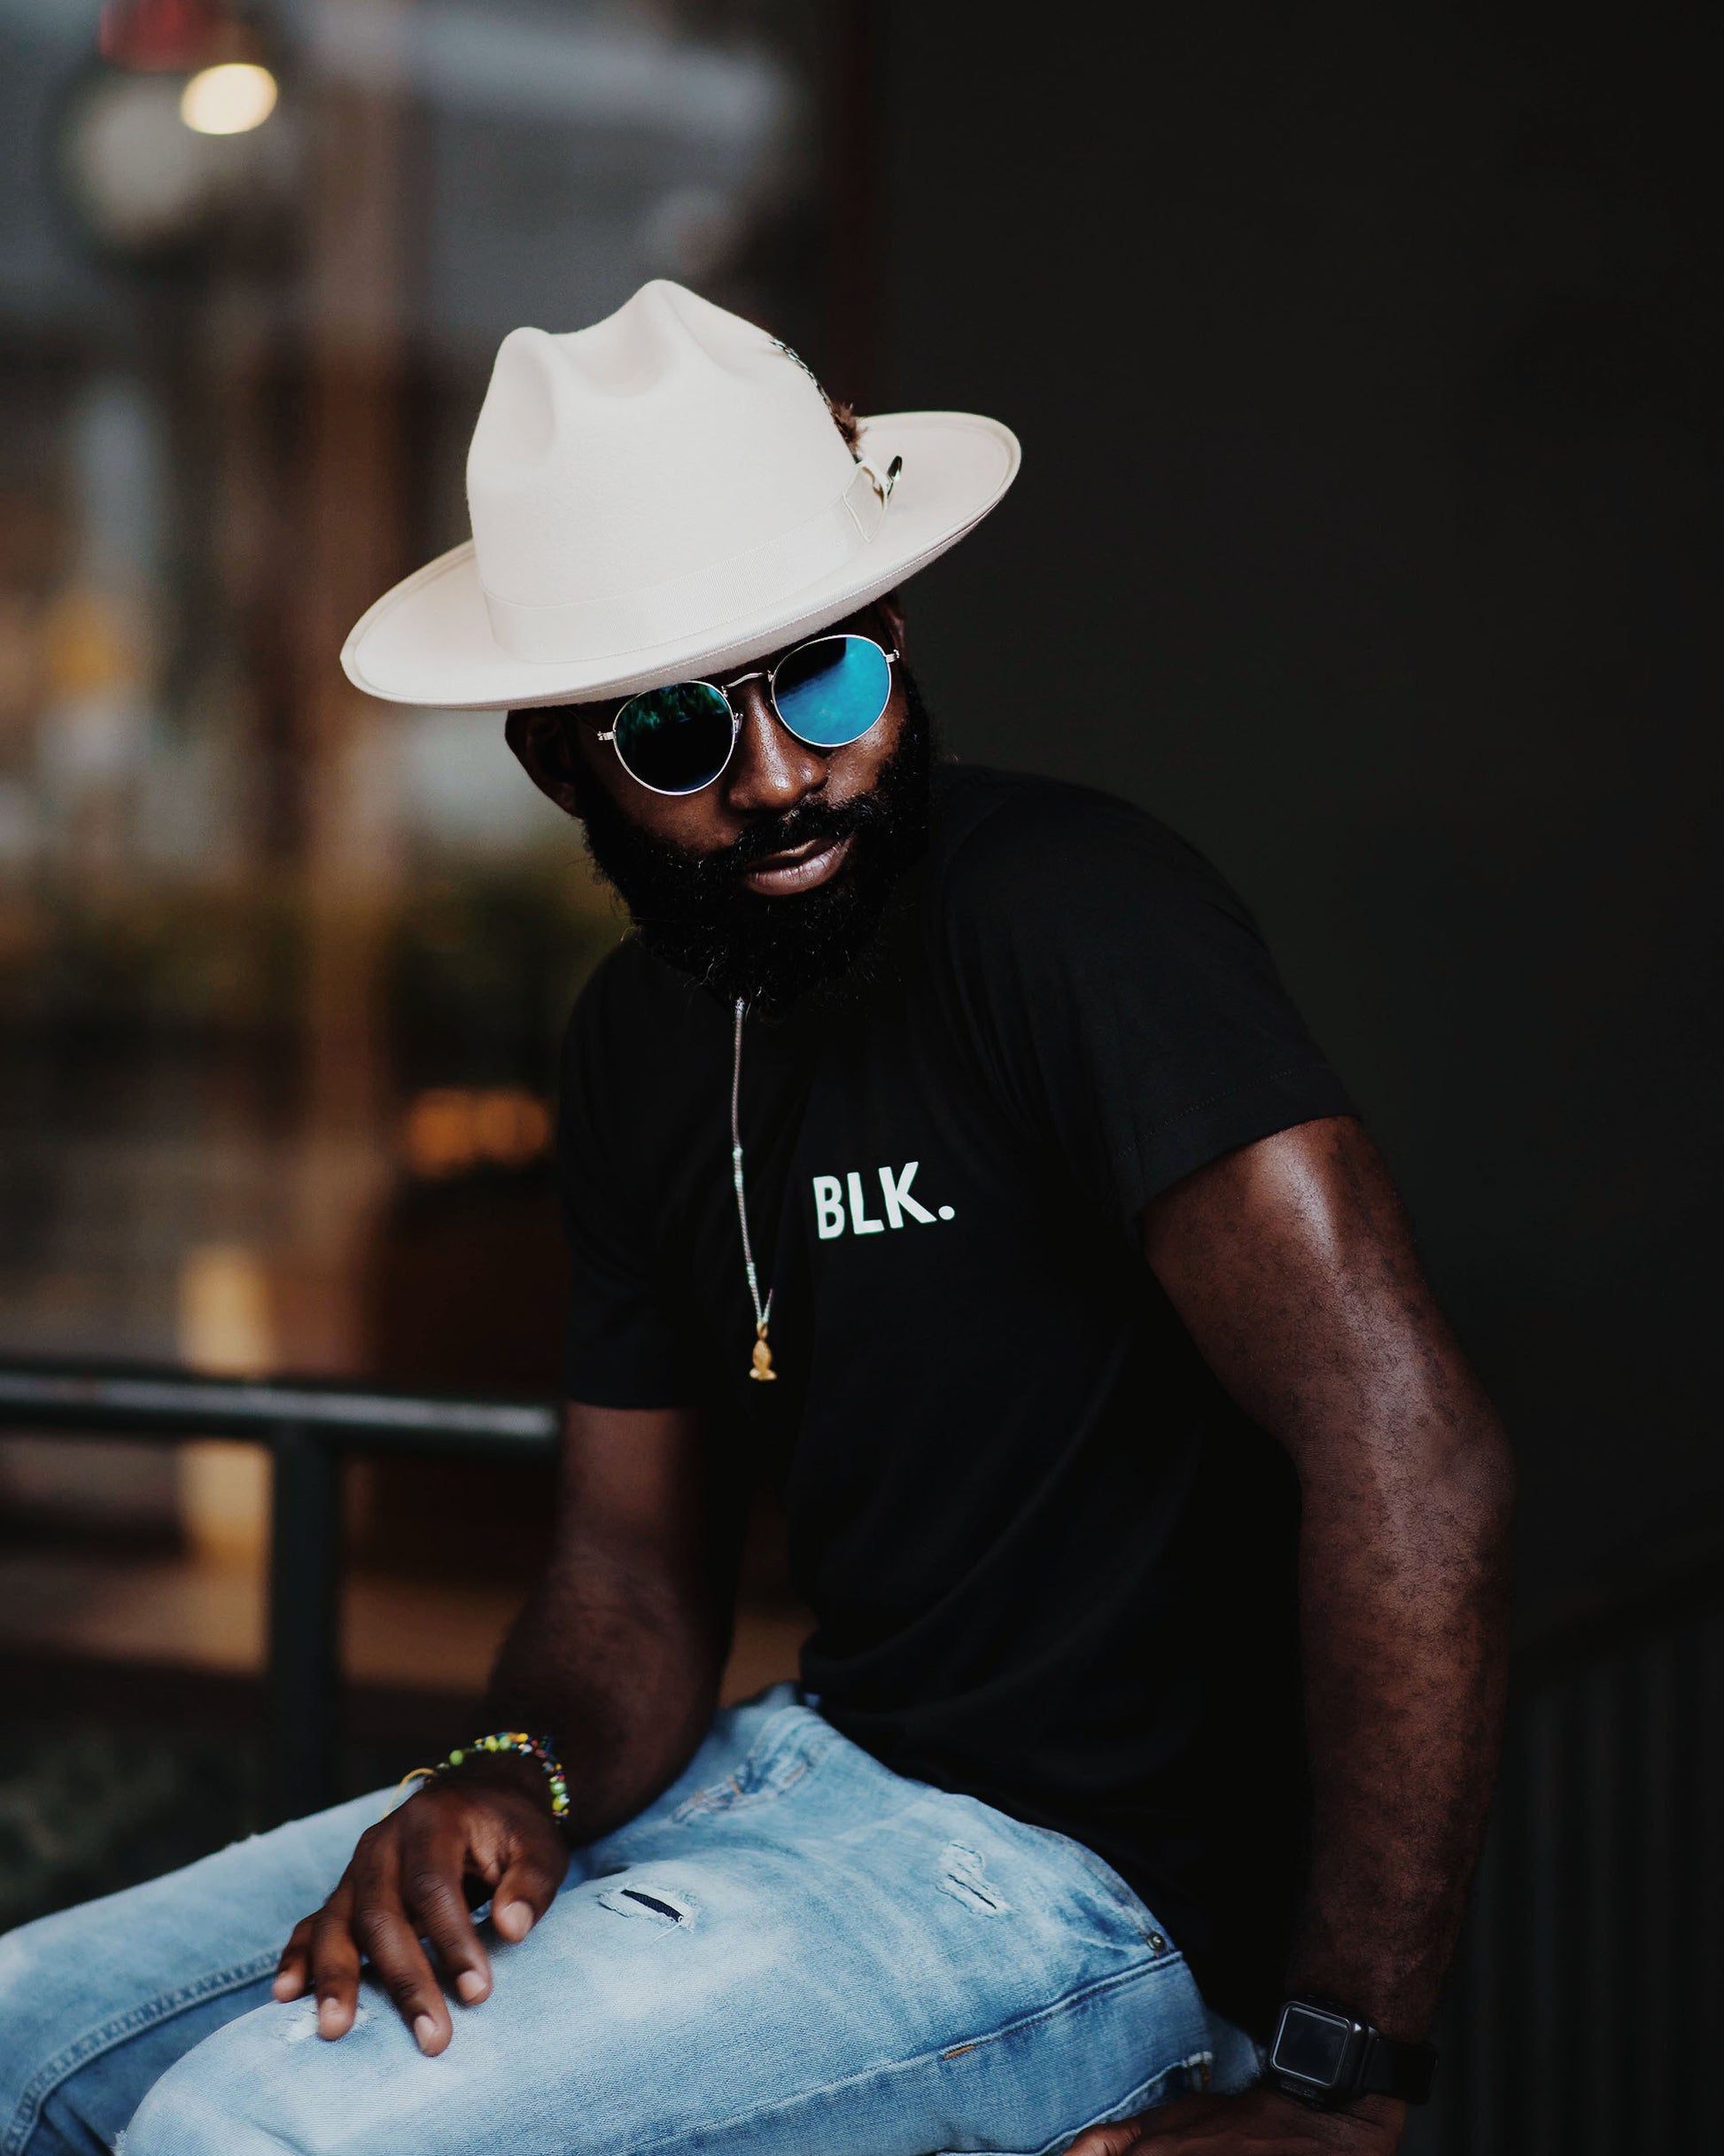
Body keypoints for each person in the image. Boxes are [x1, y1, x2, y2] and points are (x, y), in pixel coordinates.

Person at [0, 283, 1513, 2156]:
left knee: (256, 2132)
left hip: (1065, 1884)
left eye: (828, 679)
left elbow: (1414, 1459)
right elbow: (629, 1581)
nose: (782, 775)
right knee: (22, 2035)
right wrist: (513, 1770)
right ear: (556, 758)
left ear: (894, 641)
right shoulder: (636, 1041)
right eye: (672, 730)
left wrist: (1341, 2086)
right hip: (784, 1773)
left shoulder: (1082, 920)